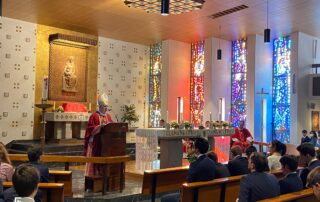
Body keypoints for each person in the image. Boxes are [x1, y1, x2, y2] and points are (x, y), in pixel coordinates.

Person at [161, 138, 216, 202]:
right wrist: (190, 153)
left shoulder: (194, 165)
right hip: (207, 194)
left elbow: (188, 183)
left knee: (164, 198)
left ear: (197, 149)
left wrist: (181, 190)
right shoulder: (211, 162)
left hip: (193, 196)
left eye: (194, 147)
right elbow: (195, 160)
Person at [84, 93, 113, 177]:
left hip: (104, 145)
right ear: (100, 106)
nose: (106, 108)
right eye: (104, 106)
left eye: (107, 106)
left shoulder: (108, 116)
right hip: (95, 144)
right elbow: (90, 129)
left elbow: (112, 126)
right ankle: (92, 178)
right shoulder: (94, 116)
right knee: (94, 162)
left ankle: (102, 178)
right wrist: (100, 127)